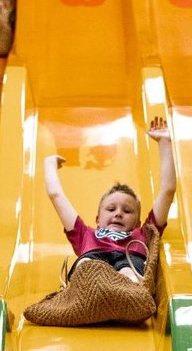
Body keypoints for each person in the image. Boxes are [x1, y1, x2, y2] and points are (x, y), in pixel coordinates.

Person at [43, 117, 176, 283]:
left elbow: (168, 191)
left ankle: (126, 291)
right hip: (92, 273)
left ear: (137, 222)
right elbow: (56, 195)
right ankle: (91, 290)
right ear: (98, 219)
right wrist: (49, 166)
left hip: (129, 262)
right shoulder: (85, 235)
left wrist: (164, 142)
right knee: (86, 263)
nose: (119, 214)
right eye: (111, 209)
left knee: (128, 269)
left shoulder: (143, 234)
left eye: (127, 211)